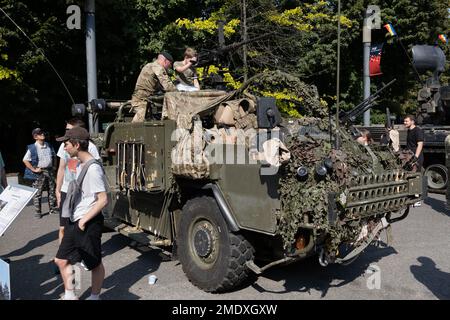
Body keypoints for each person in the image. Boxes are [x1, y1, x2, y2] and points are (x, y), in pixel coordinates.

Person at [54, 127, 108, 300]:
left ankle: (94, 296)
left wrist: (83, 221)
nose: (64, 148)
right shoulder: (79, 163)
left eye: (66, 144)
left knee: (94, 263)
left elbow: (103, 199)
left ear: (76, 144)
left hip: (87, 222)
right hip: (75, 218)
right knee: (61, 260)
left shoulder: (93, 169)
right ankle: (70, 294)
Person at [56, 118, 100, 244]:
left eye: (69, 130)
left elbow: (95, 168)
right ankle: (63, 255)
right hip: (66, 190)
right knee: (63, 227)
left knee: (79, 226)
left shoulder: (90, 147)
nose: (66, 132)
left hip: (81, 193)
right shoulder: (64, 146)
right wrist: (58, 190)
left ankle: (78, 256)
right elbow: (61, 168)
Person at [131, 51, 177, 123]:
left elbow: (161, 87)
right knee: (138, 124)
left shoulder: (150, 65)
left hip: (143, 98)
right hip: (142, 99)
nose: (169, 67)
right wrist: (178, 93)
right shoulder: (157, 67)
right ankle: (129, 134)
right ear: (165, 61)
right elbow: (167, 86)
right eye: (170, 64)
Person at [23, 128, 57, 218]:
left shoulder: (49, 145)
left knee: (52, 190)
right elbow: (25, 160)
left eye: (42, 132)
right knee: (38, 193)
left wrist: (54, 167)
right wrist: (34, 170)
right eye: (39, 133)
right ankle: (38, 212)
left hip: (49, 171)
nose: (42, 134)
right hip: (39, 173)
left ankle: (52, 208)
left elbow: (54, 156)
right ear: (35, 137)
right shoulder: (32, 147)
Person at [404, 114, 424, 207]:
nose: (405, 123)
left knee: (416, 177)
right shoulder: (409, 130)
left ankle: (417, 199)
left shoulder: (418, 130)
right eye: (404, 121)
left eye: (406, 121)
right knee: (410, 176)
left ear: (412, 121)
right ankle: (411, 197)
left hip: (416, 157)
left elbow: (420, 144)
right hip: (409, 157)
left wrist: (415, 157)